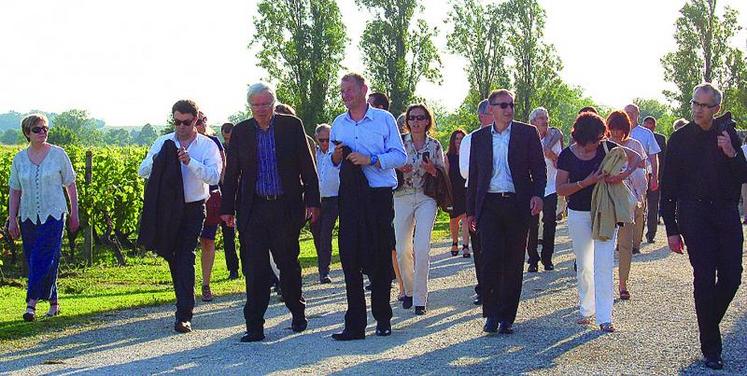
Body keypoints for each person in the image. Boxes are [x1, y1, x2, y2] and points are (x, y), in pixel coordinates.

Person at [220, 82, 320, 342]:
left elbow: (307, 167)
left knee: (288, 263)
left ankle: (297, 311)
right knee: (254, 268)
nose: (262, 109)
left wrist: (313, 201)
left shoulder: (291, 126)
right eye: (257, 105)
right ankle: (254, 325)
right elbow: (232, 173)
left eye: (266, 104)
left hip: (285, 207)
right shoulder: (241, 131)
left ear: (274, 104)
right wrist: (227, 209)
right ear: (249, 106)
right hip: (253, 209)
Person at [660, 83, 747, 370]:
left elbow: (744, 174)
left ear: (716, 108)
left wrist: (732, 153)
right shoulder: (680, 139)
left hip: (725, 212)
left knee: (733, 276)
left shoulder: (728, 134)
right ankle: (712, 348)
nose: (698, 109)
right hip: (694, 213)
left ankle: (708, 322)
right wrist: (671, 228)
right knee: (705, 276)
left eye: (704, 105)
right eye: (695, 103)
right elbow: (668, 187)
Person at [329, 73, 406, 340]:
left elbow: (399, 156)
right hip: (350, 198)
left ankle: (383, 318)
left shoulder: (384, 119)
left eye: (350, 89)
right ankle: (355, 324)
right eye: (342, 91)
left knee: (380, 259)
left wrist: (371, 158)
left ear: (364, 90)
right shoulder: (338, 123)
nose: (346, 95)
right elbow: (333, 161)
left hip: (378, 197)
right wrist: (337, 156)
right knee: (350, 258)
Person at [465, 89, 546, 335]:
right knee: (489, 260)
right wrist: (471, 212)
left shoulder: (527, 133)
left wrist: (537, 195)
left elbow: (539, 170)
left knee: (512, 261)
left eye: (511, 104)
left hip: (517, 203)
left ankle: (506, 317)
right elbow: (474, 177)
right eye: (503, 105)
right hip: (488, 205)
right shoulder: (479, 138)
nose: (508, 109)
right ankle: (490, 314)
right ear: (491, 109)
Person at [138, 100, 222, 333]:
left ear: (195, 121)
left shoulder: (207, 146)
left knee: (185, 254)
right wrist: (158, 161)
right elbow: (142, 170)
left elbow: (214, 177)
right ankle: (184, 301)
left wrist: (190, 162)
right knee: (172, 255)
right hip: (166, 209)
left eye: (186, 122)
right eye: (177, 121)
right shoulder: (162, 142)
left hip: (194, 207)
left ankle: (184, 313)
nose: (181, 126)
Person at [556, 112, 642, 333]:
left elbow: (636, 156)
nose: (592, 148)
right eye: (588, 144)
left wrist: (622, 175)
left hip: (605, 212)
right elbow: (560, 189)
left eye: (596, 142)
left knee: (603, 263)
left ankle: (605, 317)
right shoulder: (567, 155)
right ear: (579, 139)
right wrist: (586, 182)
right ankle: (586, 308)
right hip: (578, 212)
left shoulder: (606, 146)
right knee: (584, 264)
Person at [8, 114, 79, 322]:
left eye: (45, 128)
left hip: (54, 214)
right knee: (38, 258)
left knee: (43, 256)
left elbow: (71, 184)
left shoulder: (58, 154)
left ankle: (31, 303)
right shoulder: (19, 159)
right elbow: (15, 190)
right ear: (27, 133)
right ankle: (54, 303)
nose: (43, 132)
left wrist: (74, 213)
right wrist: (12, 219)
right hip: (28, 216)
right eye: (37, 129)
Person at [394, 104, 444, 316]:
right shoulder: (399, 143)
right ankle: (410, 289)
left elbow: (443, 173)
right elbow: (387, 164)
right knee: (402, 249)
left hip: (426, 197)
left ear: (427, 121)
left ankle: (420, 299)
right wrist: (398, 167)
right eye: (412, 117)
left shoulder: (434, 145)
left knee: (422, 247)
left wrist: (433, 170)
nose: (415, 121)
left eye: (420, 117)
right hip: (402, 195)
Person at [607, 111, 647, 301]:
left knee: (625, 244)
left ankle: (623, 284)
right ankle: (604, 283)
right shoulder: (604, 145)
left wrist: (625, 175)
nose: (616, 134)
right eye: (613, 129)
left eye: (619, 130)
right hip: (607, 200)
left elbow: (641, 171)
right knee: (605, 243)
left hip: (628, 200)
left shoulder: (635, 145)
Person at [459, 98, 493, 306]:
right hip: (476, 194)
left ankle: (498, 286)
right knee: (480, 245)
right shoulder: (470, 140)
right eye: (492, 112)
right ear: (482, 116)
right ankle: (483, 287)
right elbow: (464, 171)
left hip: (501, 195)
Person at [526, 107, 562, 272]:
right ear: (533, 122)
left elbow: (561, 162)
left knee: (549, 222)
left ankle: (547, 258)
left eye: (546, 117)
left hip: (551, 185)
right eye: (541, 118)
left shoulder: (555, 137)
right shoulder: (527, 138)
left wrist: (552, 155)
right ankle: (532, 259)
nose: (545, 121)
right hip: (533, 186)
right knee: (532, 224)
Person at [195, 112, 226, 302]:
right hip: (186, 198)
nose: (199, 124)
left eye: (201, 121)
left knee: (208, 239)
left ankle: (206, 283)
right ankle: (185, 284)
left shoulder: (214, 142)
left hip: (211, 197)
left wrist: (227, 197)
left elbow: (223, 170)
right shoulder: (179, 141)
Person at [624, 104, 661, 254]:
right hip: (622, 175)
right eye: (627, 112)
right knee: (622, 207)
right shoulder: (618, 131)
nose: (630, 115)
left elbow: (653, 156)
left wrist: (655, 177)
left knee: (638, 209)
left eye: (632, 113)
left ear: (638, 115)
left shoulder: (646, 134)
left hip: (640, 175)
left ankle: (635, 243)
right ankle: (622, 240)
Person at [313, 123, 339, 284]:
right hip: (317, 200)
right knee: (317, 232)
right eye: (321, 140)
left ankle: (324, 271)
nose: (324, 143)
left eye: (328, 140)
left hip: (335, 198)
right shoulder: (313, 154)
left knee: (325, 233)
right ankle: (322, 266)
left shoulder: (336, 153)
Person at [642, 116, 667, 243]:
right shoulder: (639, 136)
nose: (648, 127)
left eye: (650, 125)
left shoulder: (660, 139)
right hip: (641, 175)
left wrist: (659, 178)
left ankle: (651, 234)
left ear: (654, 126)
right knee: (640, 206)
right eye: (646, 125)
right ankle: (637, 233)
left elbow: (663, 160)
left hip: (655, 176)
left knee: (653, 207)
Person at [220, 122, 240, 280]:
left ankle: (249, 267)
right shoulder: (220, 150)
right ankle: (233, 269)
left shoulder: (242, 148)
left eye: (230, 139)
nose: (228, 142)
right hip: (226, 196)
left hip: (243, 195)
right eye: (225, 139)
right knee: (228, 236)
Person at [445, 129, 470, 257]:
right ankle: (454, 242)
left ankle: (465, 246)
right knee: (454, 219)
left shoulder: (468, 155)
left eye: (461, 138)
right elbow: (446, 175)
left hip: (466, 189)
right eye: (456, 138)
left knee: (466, 218)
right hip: (453, 191)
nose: (459, 141)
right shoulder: (448, 157)